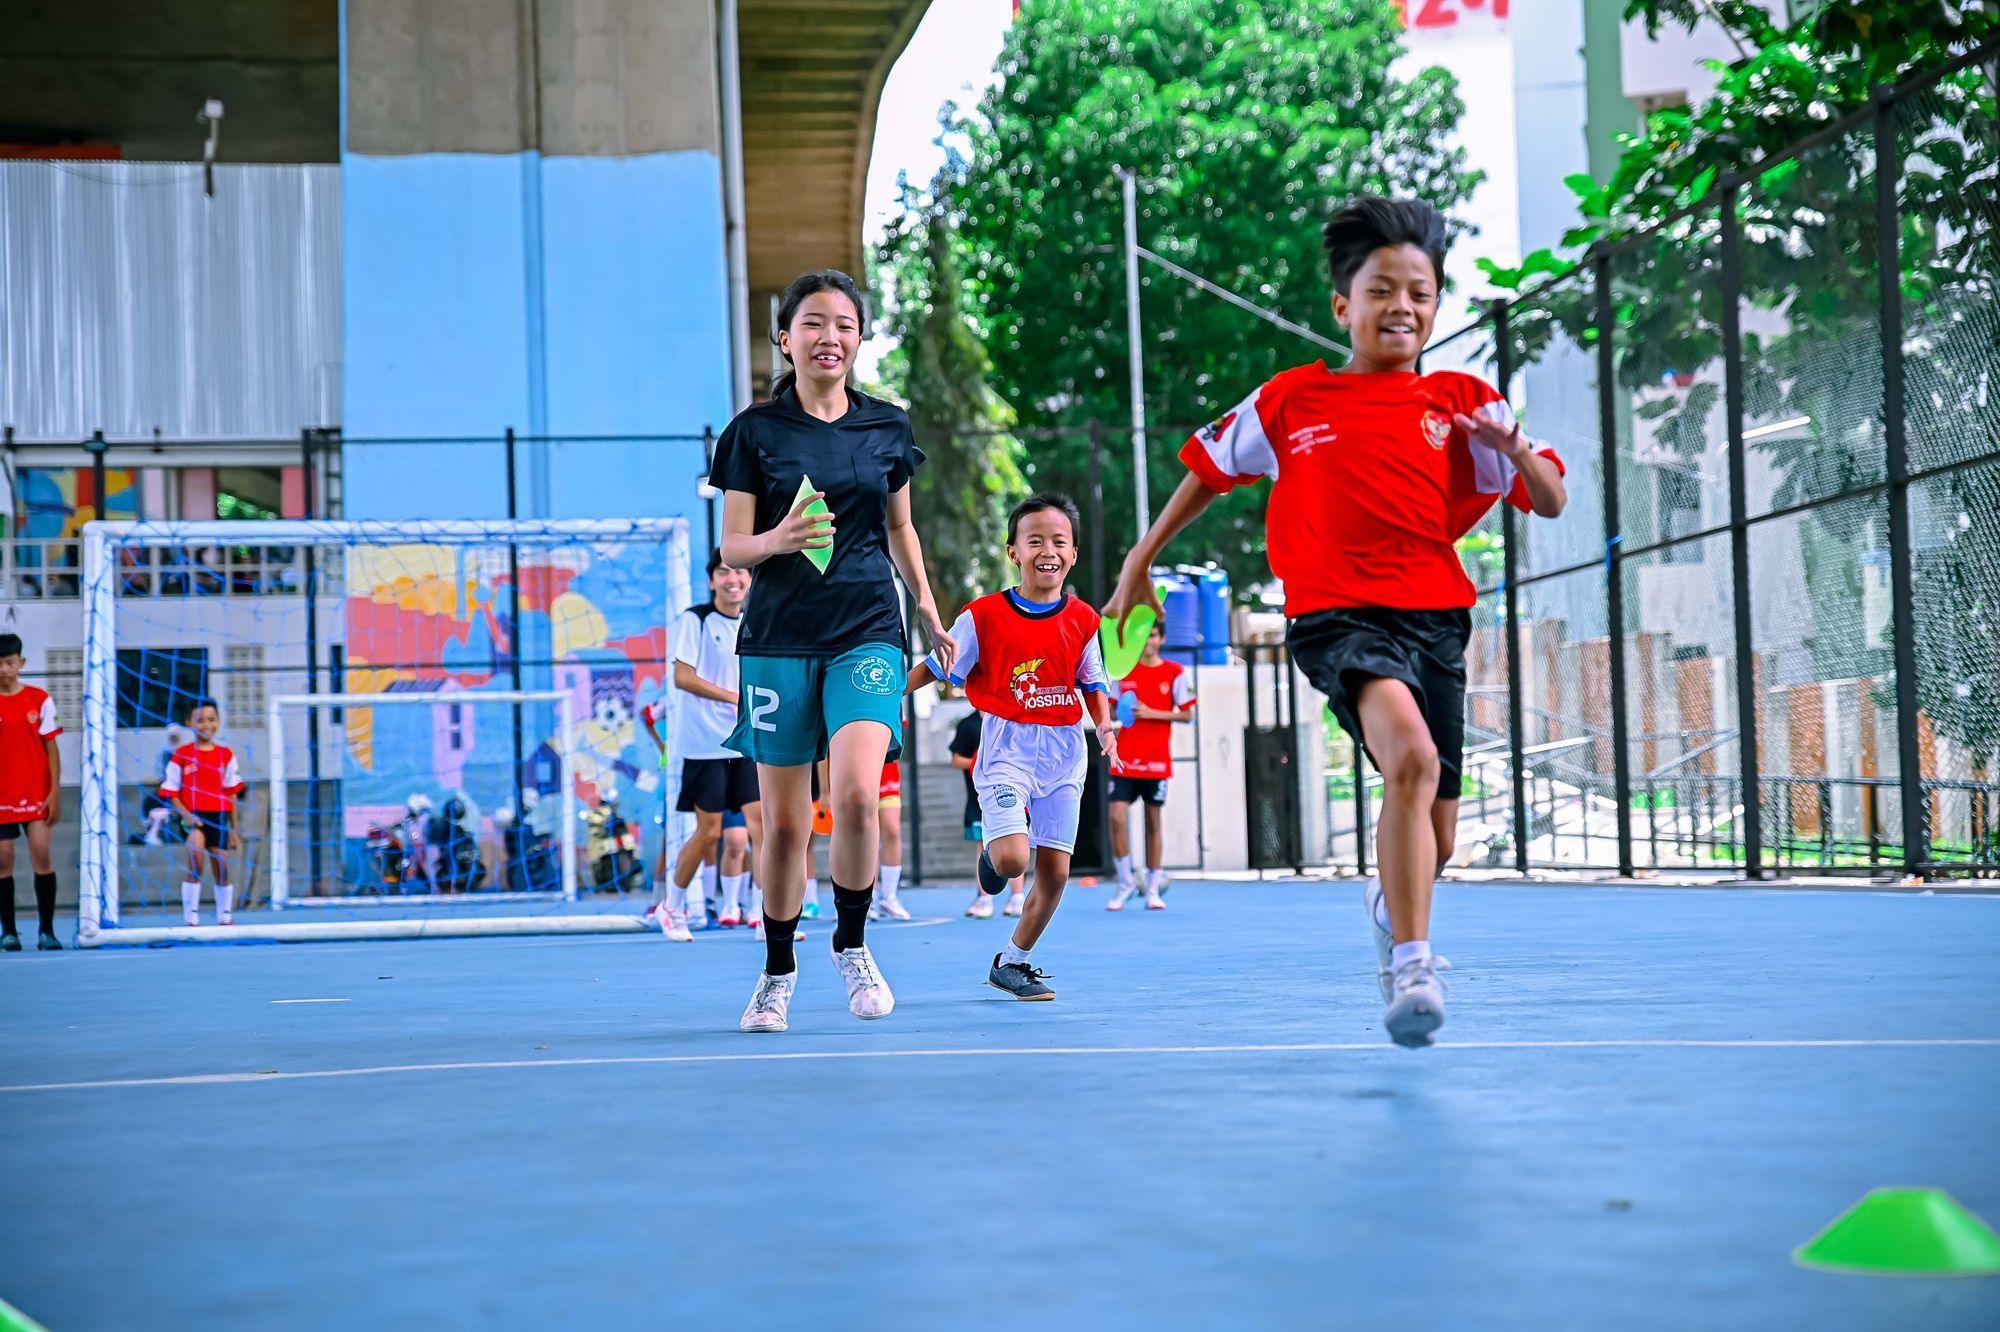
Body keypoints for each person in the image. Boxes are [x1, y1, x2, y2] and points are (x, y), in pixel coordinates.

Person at [1105, 197, 1567, 1047]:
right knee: (1414, 759)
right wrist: (1139, 561)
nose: (1403, 307)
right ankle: (1413, 966)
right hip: (1339, 617)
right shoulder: (1290, 399)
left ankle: (1393, 902)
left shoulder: (1461, 401)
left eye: (1420, 292)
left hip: (1437, 618)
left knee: (1439, 835)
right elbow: (1209, 471)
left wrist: (1515, 452)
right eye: (1382, 289)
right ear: (1341, 307)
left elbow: (1548, 500)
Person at [714, 268, 955, 1034]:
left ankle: (852, 946)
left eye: (844, 324)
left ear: (859, 338)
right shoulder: (753, 434)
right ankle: (777, 970)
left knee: (854, 796)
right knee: (784, 829)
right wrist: (778, 539)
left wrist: (925, 602)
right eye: (813, 323)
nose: (830, 337)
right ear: (786, 340)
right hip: (780, 638)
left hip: (868, 629)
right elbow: (732, 545)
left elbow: (899, 528)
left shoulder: (887, 426)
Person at [906, 493, 1117, 1001]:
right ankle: (991, 855)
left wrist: (1106, 729)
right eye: (1035, 539)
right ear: (1013, 552)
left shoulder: (1084, 619)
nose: (1048, 549)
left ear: (1073, 554)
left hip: (1066, 749)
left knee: (1057, 872)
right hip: (1006, 744)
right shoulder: (982, 616)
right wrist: (883, 695)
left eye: (1059, 541)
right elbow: (937, 668)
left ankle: (1013, 962)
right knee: (1011, 863)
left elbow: (1093, 682)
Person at [645, 550, 762, 942]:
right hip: (706, 746)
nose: (734, 579)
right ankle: (672, 906)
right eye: (724, 572)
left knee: (762, 828)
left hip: (747, 743)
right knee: (709, 833)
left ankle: (767, 915)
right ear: (713, 580)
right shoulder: (695, 620)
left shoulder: (758, 619)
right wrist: (733, 697)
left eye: (741, 572)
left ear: (750, 579)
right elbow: (683, 677)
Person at [1106, 622, 1196, 912]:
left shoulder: (1175, 673)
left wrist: (1150, 713)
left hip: (1157, 760)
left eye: (1153, 636)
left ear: (1162, 638)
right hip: (1125, 758)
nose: (1148, 642)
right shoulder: (1123, 672)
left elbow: (1187, 715)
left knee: (1153, 822)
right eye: (1143, 637)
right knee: (1116, 817)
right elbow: (1109, 708)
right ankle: (1125, 884)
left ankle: (1153, 888)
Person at [0, 632, 64, 951]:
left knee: (41, 853)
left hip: (36, 793)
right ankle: (9, 931)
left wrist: (54, 792)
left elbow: (51, 748)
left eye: (9, 663)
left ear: (21, 663)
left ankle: (47, 931)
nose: (4, 670)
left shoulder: (40, 699)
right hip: (2, 797)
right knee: (3, 858)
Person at [161, 696, 247, 927]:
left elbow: (232, 793)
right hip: (194, 818)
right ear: (190, 722)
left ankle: (225, 916)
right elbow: (170, 792)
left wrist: (234, 830)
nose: (206, 725)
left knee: (221, 866)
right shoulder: (181, 755)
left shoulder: (226, 755)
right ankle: (191, 917)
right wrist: (187, 815)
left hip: (219, 818)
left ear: (218, 722)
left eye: (211, 719)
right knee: (196, 860)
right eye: (200, 720)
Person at [948, 709, 1025, 919]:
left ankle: (1017, 896)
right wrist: (977, 761)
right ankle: (984, 898)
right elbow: (956, 759)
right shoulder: (968, 724)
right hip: (978, 799)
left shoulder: (1009, 716)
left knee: (1016, 839)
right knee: (983, 846)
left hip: (1010, 793)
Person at [869, 755, 912, 920]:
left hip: (888, 779)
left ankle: (889, 896)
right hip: (858, 776)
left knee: (892, 830)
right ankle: (867, 897)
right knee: (866, 835)